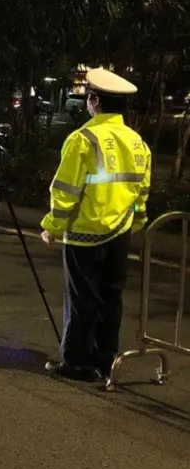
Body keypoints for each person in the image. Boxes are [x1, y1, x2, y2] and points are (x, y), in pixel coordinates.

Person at [41, 68, 150, 383]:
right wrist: (137, 222)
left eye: (89, 97)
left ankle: (77, 363)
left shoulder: (83, 139)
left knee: (82, 299)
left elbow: (65, 191)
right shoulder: (138, 143)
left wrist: (53, 226)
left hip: (85, 234)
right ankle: (106, 360)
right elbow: (141, 193)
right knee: (111, 298)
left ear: (95, 101)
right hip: (121, 232)